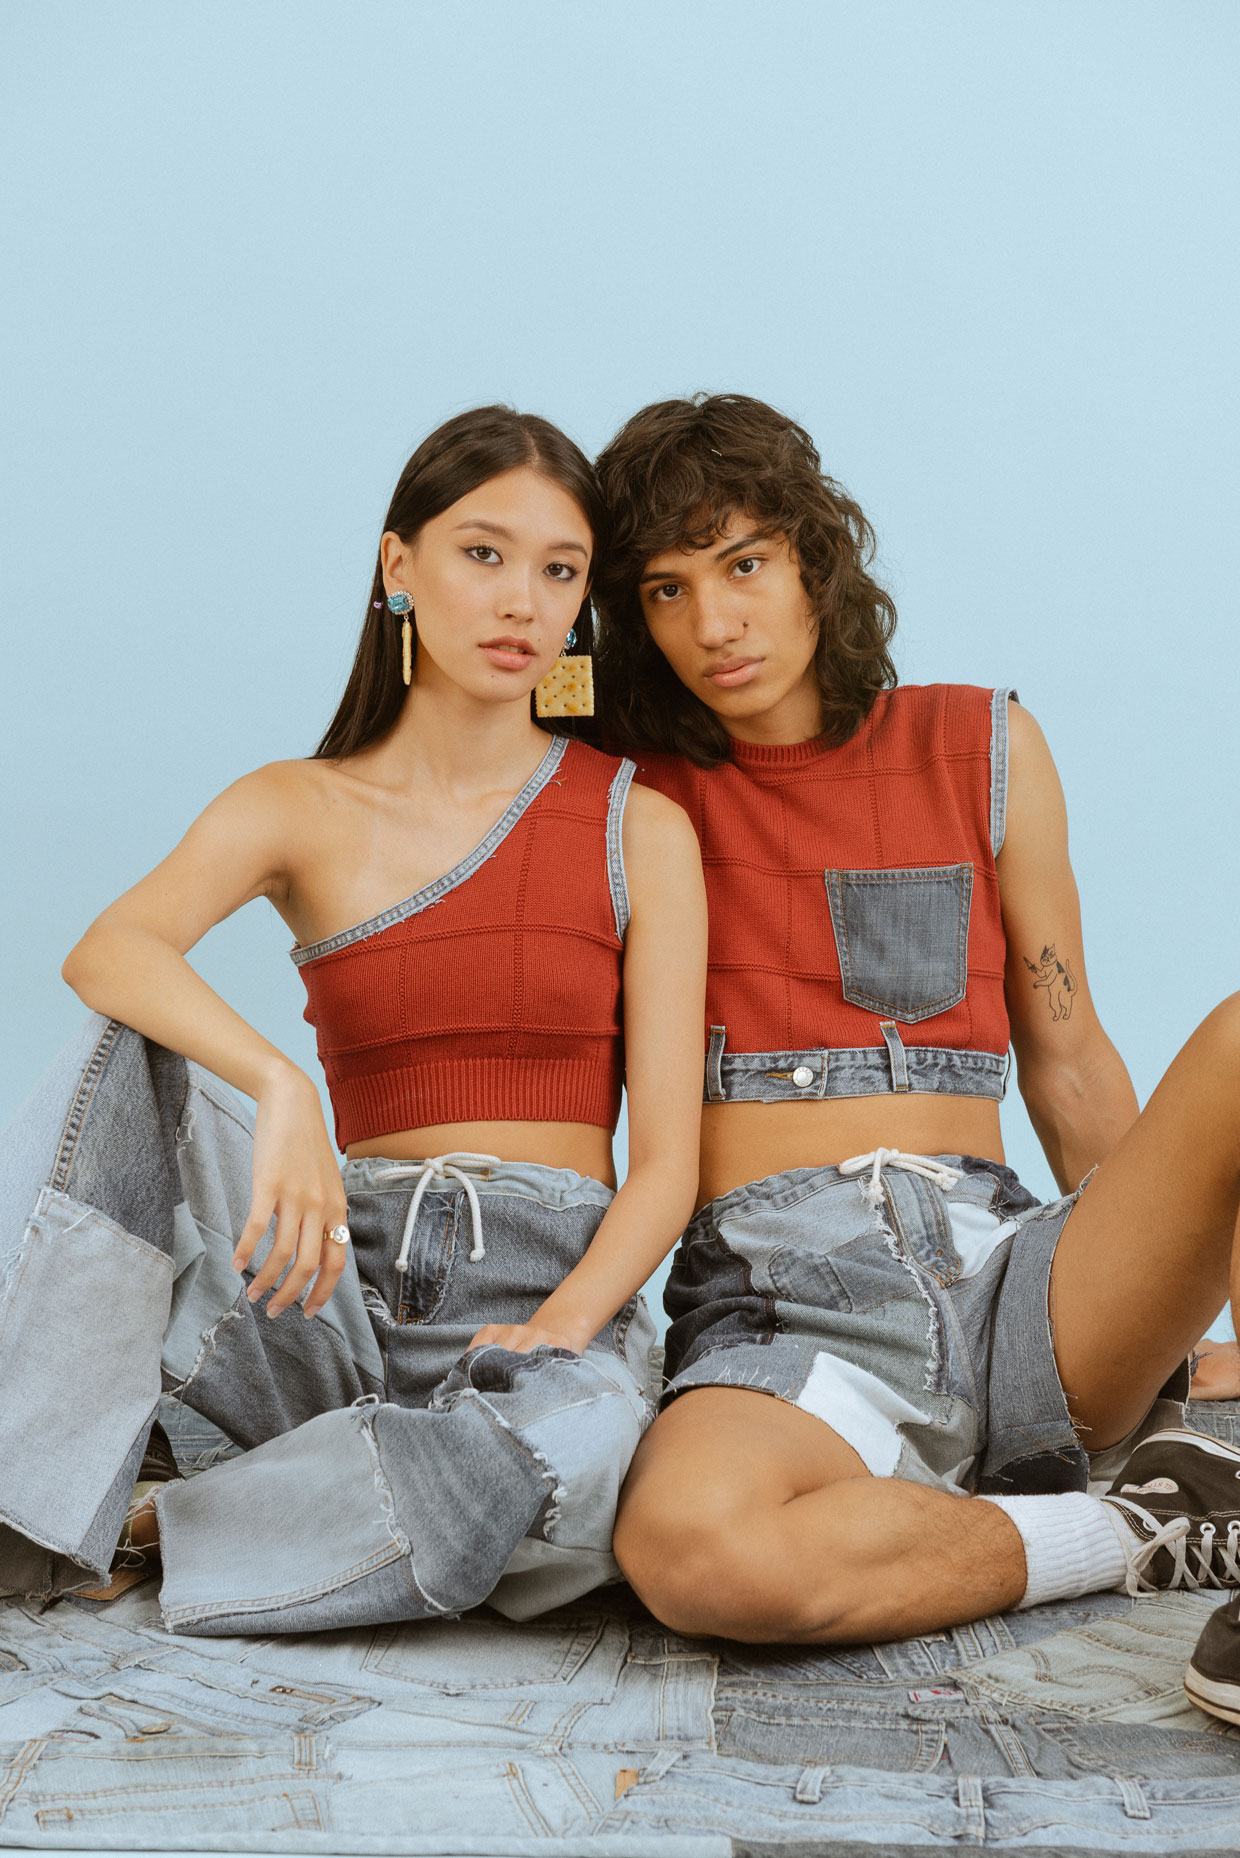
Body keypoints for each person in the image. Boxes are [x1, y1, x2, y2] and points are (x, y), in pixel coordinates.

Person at [0, 405, 706, 1637]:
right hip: (326, 1284)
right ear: (399, 566)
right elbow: (109, 950)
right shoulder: (298, 804)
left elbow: (667, 1170)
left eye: (560, 572)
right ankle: (53, 1508)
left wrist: (557, 1332)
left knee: (575, 1446)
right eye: (482, 553)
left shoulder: (635, 823)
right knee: (128, 1050)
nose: (521, 602)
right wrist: (283, 1088)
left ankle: (165, 1520)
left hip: (545, 1307)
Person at [590, 393, 1240, 1676]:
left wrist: (1169, 1322)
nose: (713, 624)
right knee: (693, 1551)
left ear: (814, 557)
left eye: (743, 565)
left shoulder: (978, 743)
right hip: (786, 1318)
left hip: (1019, 1289)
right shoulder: (614, 791)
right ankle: (1130, 1532)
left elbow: (1067, 1060)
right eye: (665, 590)